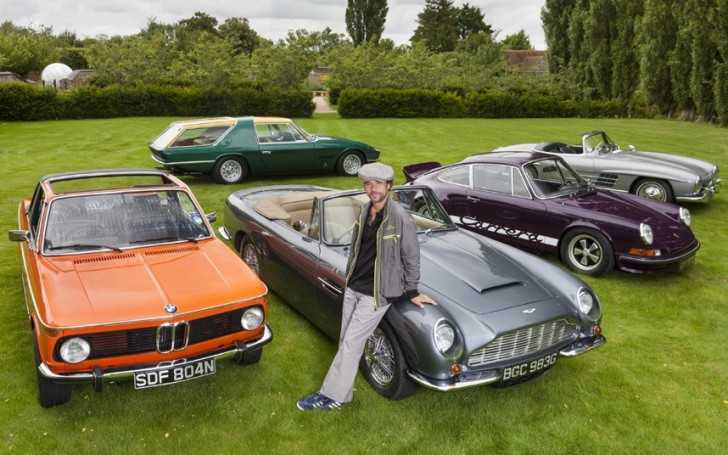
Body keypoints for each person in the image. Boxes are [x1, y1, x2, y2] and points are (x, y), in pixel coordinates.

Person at [297, 162, 435, 411]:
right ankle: (343, 390)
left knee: (351, 343)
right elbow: (358, 248)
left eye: (378, 184)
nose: (372, 189)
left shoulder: (400, 217)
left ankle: (333, 396)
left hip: (376, 293)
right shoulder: (364, 210)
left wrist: (412, 290)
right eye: (368, 184)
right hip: (354, 285)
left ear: (389, 186)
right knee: (346, 340)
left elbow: (411, 256)